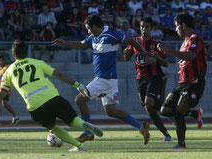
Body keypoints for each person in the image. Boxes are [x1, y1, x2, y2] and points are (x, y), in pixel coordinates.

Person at [0, 40, 103, 152]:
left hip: (35, 106)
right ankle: (83, 124)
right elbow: (58, 74)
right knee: (73, 120)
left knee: (52, 128)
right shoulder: (37, 62)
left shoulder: (8, 71)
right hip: (53, 97)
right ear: (27, 53)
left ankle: (80, 146)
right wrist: (77, 84)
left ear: (13, 54)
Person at [53, 14, 155, 144]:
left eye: (89, 28)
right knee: (111, 111)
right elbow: (81, 44)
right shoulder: (94, 38)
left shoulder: (111, 35)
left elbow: (132, 41)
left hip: (104, 79)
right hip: (109, 81)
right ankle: (141, 127)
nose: (88, 31)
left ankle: (88, 133)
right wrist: (64, 43)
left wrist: (145, 55)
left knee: (79, 100)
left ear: (95, 26)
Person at [157, 12, 207, 149]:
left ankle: (181, 144)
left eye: (176, 26)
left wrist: (169, 50)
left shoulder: (195, 39)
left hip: (194, 83)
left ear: (183, 25)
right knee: (165, 110)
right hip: (182, 83)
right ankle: (194, 113)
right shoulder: (184, 42)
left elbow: (190, 56)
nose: (175, 29)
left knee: (179, 112)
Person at [123, 17, 172, 142]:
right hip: (140, 79)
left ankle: (170, 116)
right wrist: (125, 53)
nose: (144, 29)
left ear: (151, 28)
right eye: (142, 26)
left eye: (147, 27)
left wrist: (157, 58)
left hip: (154, 77)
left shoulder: (156, 44)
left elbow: (165, 63)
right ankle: (167, 132)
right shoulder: (134, 42)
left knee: (149, 102)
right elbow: (126, 59)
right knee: (150, 107)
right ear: (139, 27)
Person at [0, 53, 20, 125]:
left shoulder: (6, 68)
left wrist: (9, 87)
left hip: (4, 89)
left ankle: (14, 117)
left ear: (3, 61)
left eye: (1, 60)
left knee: (4, 104)